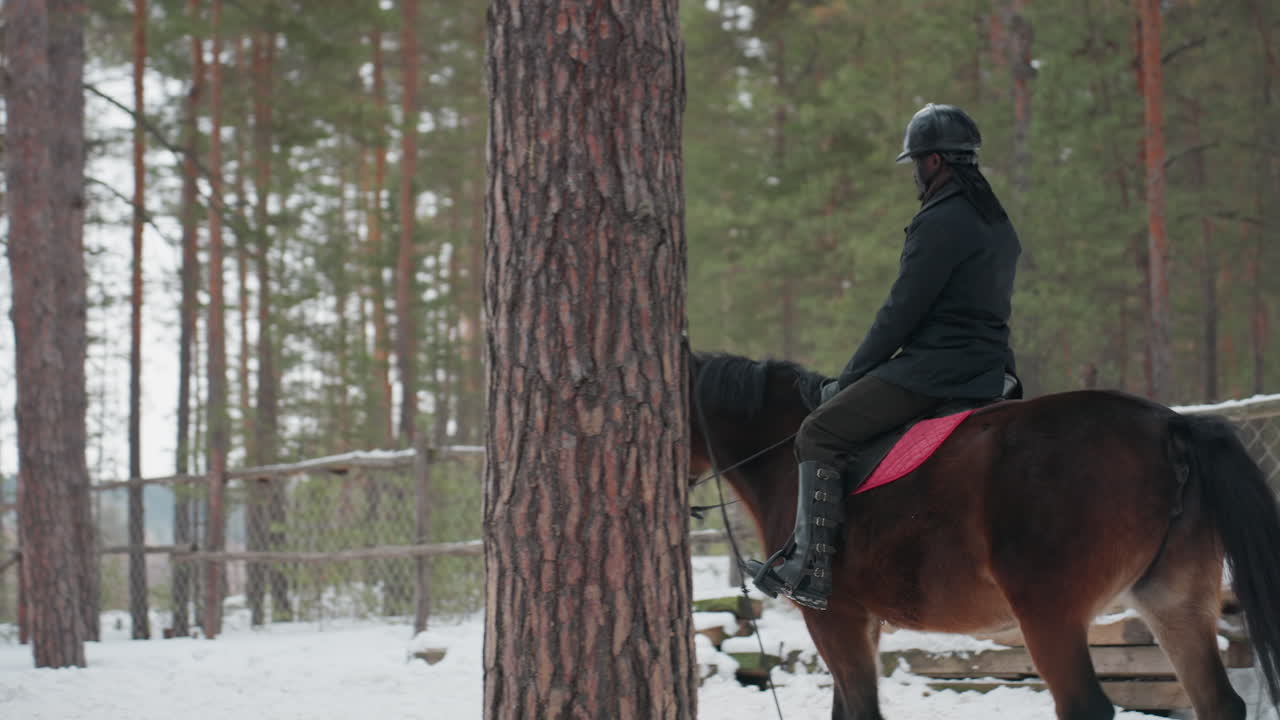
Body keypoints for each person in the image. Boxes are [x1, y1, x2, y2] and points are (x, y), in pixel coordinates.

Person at [744, 103, 1022, 610]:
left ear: (935, 161)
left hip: (935, 370)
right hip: (991, 370)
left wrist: (850, 378)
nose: (915, 174)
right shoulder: (996, 221)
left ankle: (808, 567)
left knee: (818, 432)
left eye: (917, 163)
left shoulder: (940, 221)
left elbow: (900, 314)